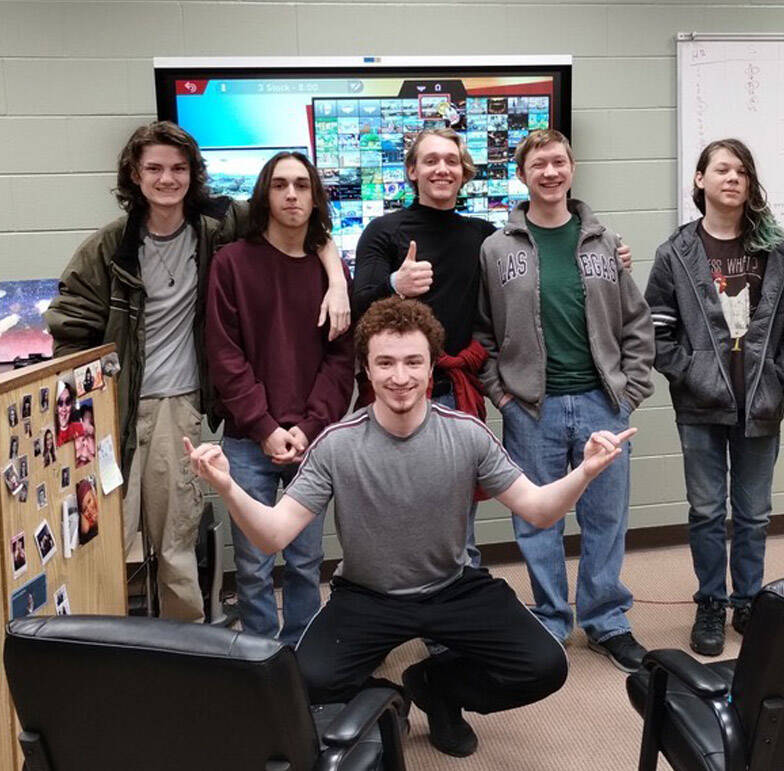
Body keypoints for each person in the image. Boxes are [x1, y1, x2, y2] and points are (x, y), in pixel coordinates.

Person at [186, 297, 635, 758]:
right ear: (365, 367)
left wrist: (584, 471)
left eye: (412, 362)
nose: (399, 377)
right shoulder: (337, 446)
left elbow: (538, 510)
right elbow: (274, 535)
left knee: (545, 667)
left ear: (431, 365)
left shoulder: (466, 435)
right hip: (367, 594)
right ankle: (386, 699)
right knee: (304, 682)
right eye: (385, 363)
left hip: (451, 586)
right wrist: (227, 487)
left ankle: (437, 688)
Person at [45, 121, 350, 622]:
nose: (168, 179)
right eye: (155, 169)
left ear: (193, 174)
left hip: (179, 405)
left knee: (176, 542)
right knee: (103, 538)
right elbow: (69, 321)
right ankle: (98, 647)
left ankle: (187, 652)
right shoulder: (110, 245)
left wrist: (337, 279)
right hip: (114, 406)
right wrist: (93, 390)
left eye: (179, 169)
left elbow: (303, 220)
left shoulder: (214, 227)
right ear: (134, 175)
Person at [353, 128, 633, 568]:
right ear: (412, 170)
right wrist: (395, 284)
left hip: (455, 394)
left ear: (464, 172)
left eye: (451, 160)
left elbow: (493, 321)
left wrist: (612, 257)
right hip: (398, 391)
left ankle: (455, 625)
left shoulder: (487, 238)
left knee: (458, 522)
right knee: (390, 511)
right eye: (430, 160)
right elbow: (356, 303)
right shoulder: (384, 231)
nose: (441, 168)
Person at [476, 129, 655, 673]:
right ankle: (551, 618)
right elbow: (482, 334)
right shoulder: (496, 247)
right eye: (539, 165)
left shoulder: (604, 241)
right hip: (532, 408)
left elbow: (636, 322)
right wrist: (501, 395)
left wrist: (632, 390)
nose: (550, 173)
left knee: (605, 516)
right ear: (523, 174)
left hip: (602, 402)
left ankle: (606, 620)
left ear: (571, 169)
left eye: (559, 162)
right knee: (537, 520)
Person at [645, 138, 784, 656]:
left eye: (741, 170)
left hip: (761, 402)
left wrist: (783, 376)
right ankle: (711, 603)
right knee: (705, 509)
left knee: (754, 512)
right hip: (700, 405)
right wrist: (692, 373)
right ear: (700, 180)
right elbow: (657, 330)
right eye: (721, 169)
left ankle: (748, 602)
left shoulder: (782, 250)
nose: (732, 178)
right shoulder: (677, 252)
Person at [206, 151, 355, 646]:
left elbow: (340, 361)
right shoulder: (231, 264)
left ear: (315, 198)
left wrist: (309, 427)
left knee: (305, 561)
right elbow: (225, 357)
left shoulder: (330, 273)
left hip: (310, 443)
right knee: (252, 565)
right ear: (264, 196)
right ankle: (259, 656)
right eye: (279, 185)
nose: (291, 194)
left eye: (301, 185)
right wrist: (265, 427)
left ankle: (300, 654)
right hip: (249, 441)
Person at [53, 381, 83, 448]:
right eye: (60, 403)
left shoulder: (79, 428)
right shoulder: (51, 436)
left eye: (68, 401)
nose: (64, 408)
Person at [74, 403, 96, 468]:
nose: (88, 426)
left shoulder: (93, 438)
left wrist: (89, 456)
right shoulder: (75, 436)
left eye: (90, 421)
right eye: (85, 419)